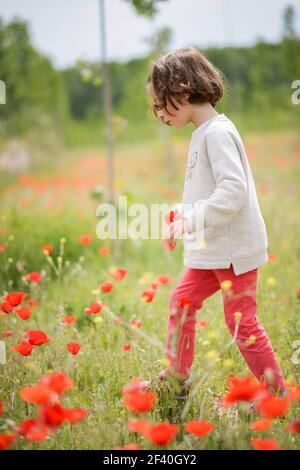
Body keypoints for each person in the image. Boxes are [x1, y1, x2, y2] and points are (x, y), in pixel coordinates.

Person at [143, 47, 286, 397]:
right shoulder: (202, 133)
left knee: (242, 323)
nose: (159, 113)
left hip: (233, 252)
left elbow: (233, 191)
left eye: (161, 103)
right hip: (213, 251)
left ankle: (276, 393)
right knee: (181, 301)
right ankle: (177, 379)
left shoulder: (217, 133)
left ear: (181, 90)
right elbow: (207, 192)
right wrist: (182, 213)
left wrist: (192, 220)